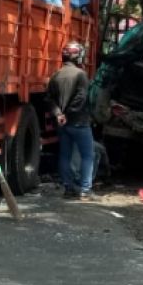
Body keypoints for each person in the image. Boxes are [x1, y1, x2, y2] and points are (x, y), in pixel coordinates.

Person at [49, 41, 95, 200]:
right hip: (79, 122)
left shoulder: (56, 75)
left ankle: (68, 188)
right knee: (88, 156)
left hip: (63, 124)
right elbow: (81, 98)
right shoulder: (81, 75)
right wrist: (68, 113)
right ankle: (85, 190)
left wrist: (58, 114)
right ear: (79, 57)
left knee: (65, 156)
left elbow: (49, 99)